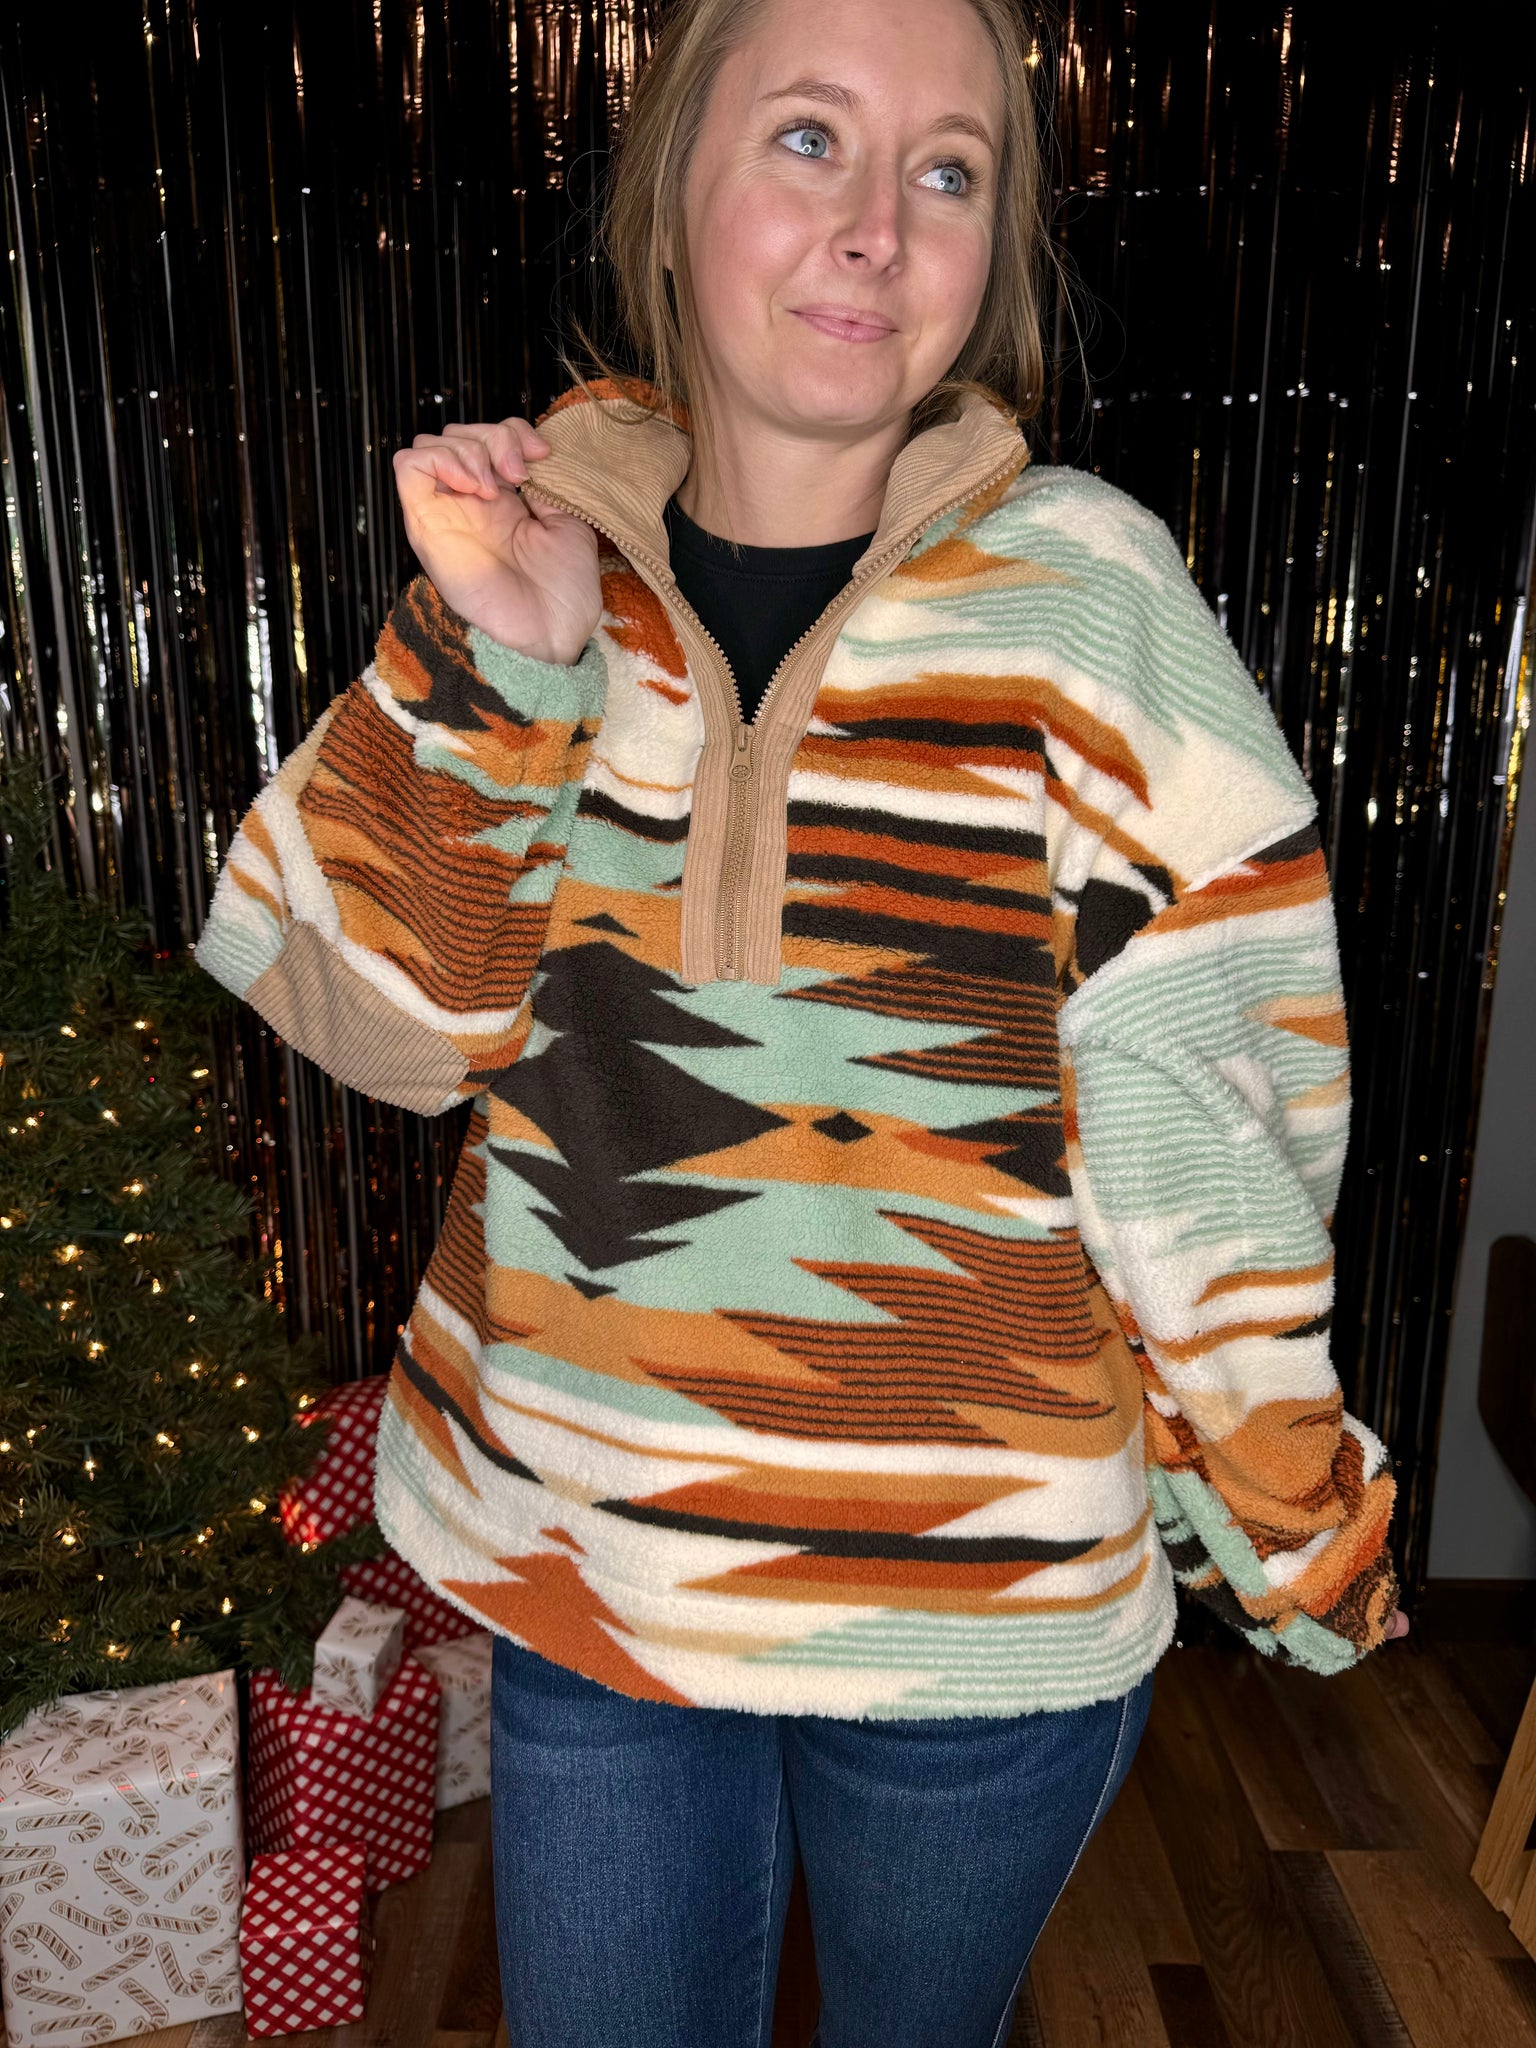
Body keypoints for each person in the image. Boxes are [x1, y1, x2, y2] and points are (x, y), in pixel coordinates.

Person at [197, 0, 1409, 2041]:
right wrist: (508, 666)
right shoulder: (541, 549)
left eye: (948, 171)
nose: (878, 225)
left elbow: (1211, 1110)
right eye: (810, 138)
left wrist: (1288, 1506)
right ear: (673, 179)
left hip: (978, 1613)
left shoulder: (1096, 600)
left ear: (991, 252)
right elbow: (388, 1025)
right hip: (593, 1570)